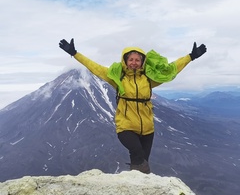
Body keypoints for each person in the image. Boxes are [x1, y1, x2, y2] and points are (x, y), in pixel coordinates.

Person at [59, 39, 207, 174]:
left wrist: (190, 57)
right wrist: (75, 53)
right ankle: (143, 179)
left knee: (142, 161)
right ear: (125, 61)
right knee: (137, 153)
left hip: (147, 128)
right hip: (126, 126)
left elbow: (172, 69)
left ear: (142, 62)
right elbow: (95, 67)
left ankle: (138, 184)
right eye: (131, 59)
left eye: (137, 60)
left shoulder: (149, 79)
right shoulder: (117, 77)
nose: (134, 62)